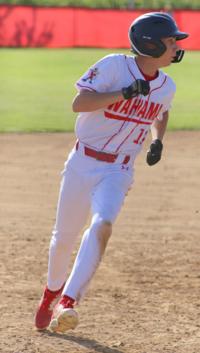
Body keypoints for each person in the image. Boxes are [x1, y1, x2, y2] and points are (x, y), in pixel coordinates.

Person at [35, 12, 188, 333]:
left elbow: (160, 111)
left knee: (103, 223)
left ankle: (69, 301)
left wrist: (157, 140)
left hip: (119, 168)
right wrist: (124, 93)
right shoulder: (114, 66)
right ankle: (51, 291)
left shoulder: (167, 85)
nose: (176, 46)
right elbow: (79, 103)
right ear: (150, 43)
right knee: (63, 239)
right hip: (82, 162)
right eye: (171, 40)